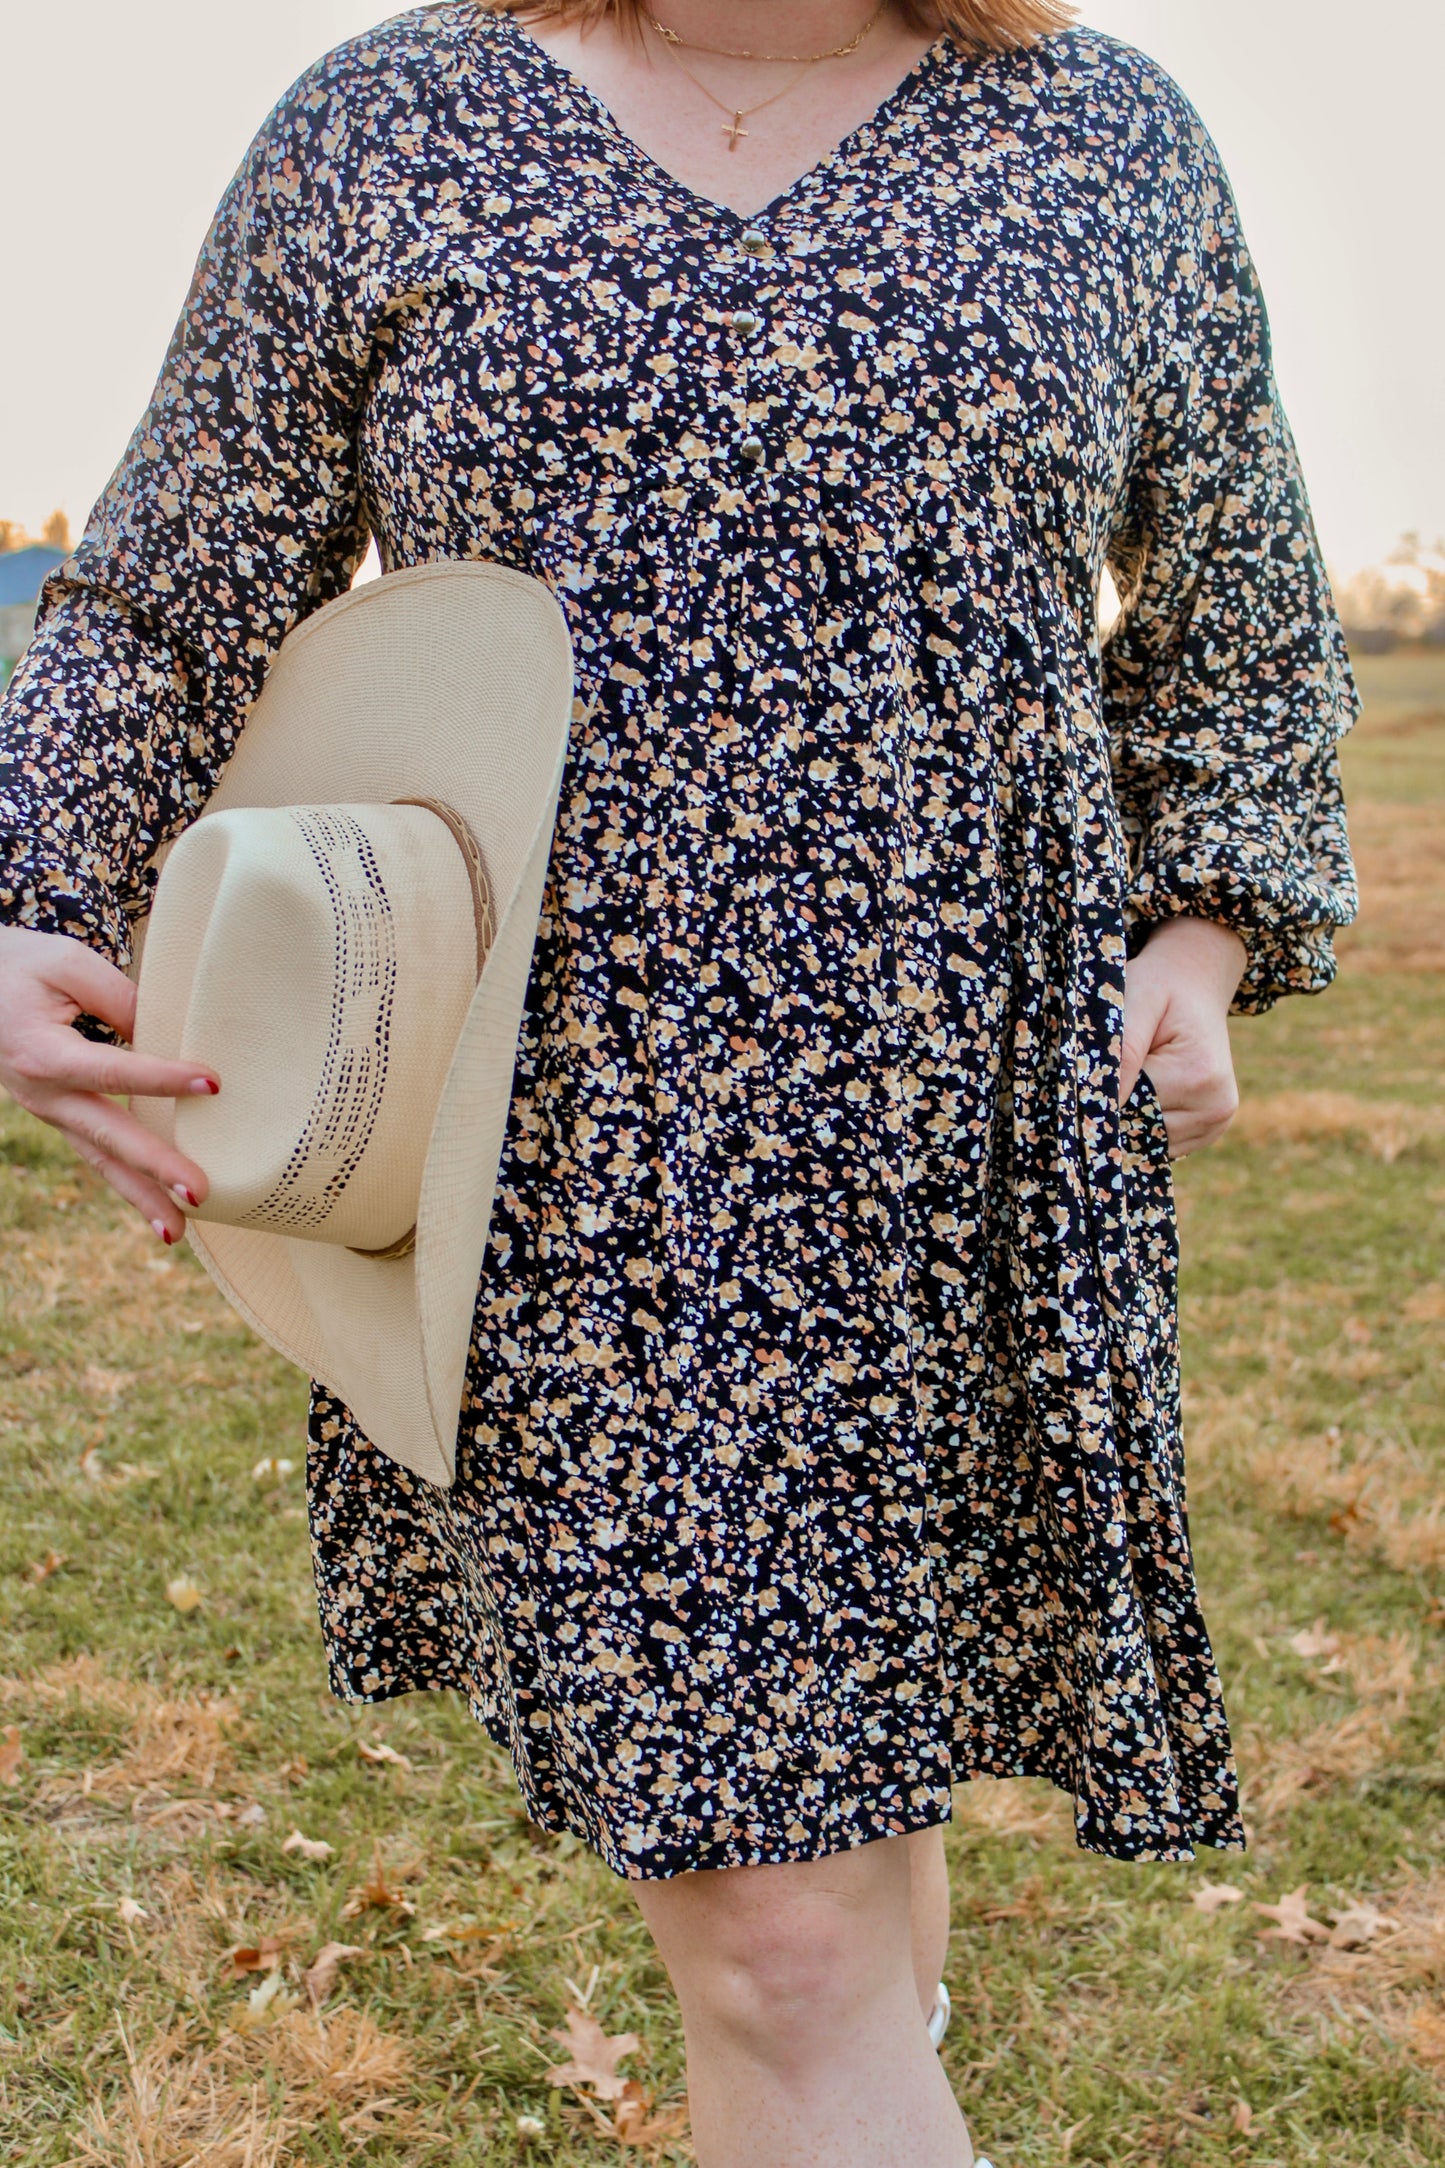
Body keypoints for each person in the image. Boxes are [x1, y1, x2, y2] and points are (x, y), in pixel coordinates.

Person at [0, 1, 1358, 2159]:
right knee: (789, 1950)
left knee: (850, 1863)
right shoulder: (389, 122)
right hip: (573, 1165)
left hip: (962, 1150)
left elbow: (1247, 620)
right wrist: (25, 895)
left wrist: (1196, 941)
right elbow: (170, 596)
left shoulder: (1101, 136)